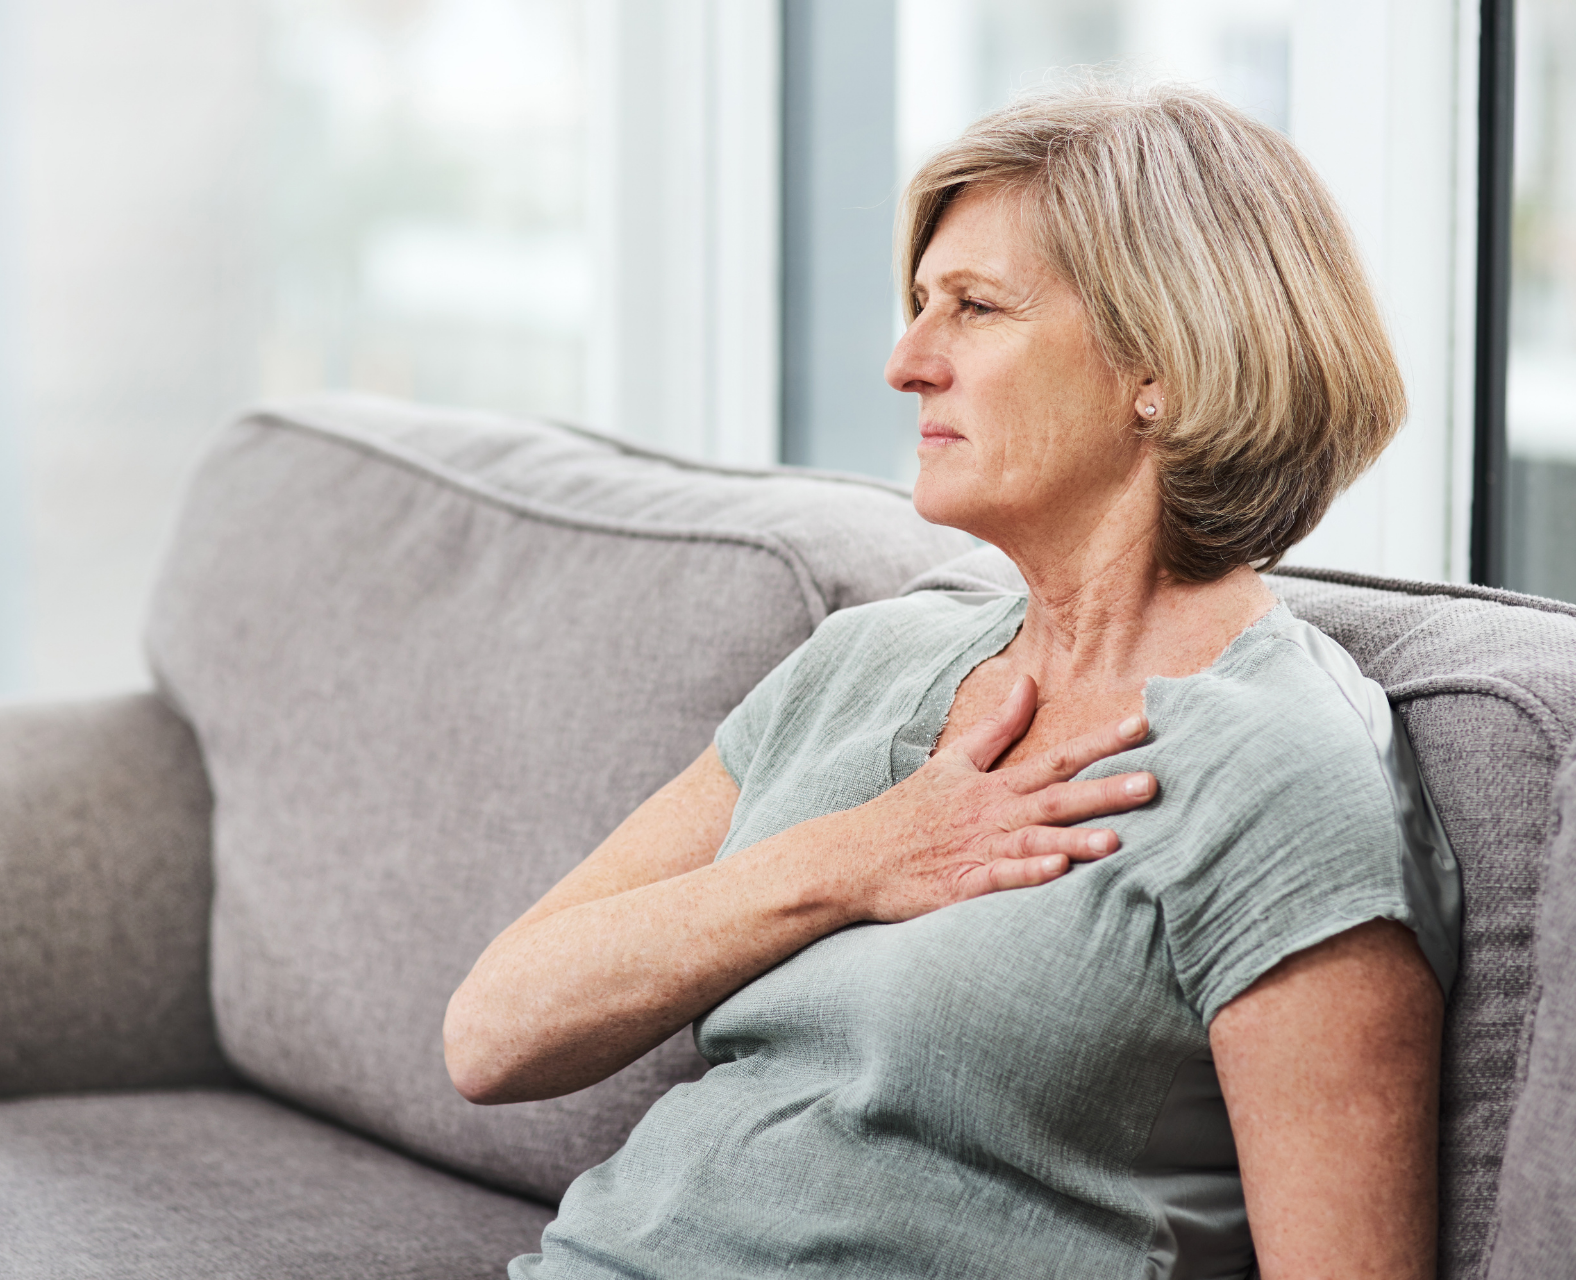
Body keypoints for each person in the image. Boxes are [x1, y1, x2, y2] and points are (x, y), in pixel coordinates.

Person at [444, 80, 1461, 1280]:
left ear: (1165, 365)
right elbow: (494, 1030)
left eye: (974, 307)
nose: (906, 361)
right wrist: (862, 855)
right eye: (920, 303)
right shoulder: (865, 662)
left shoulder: (1279, 770)